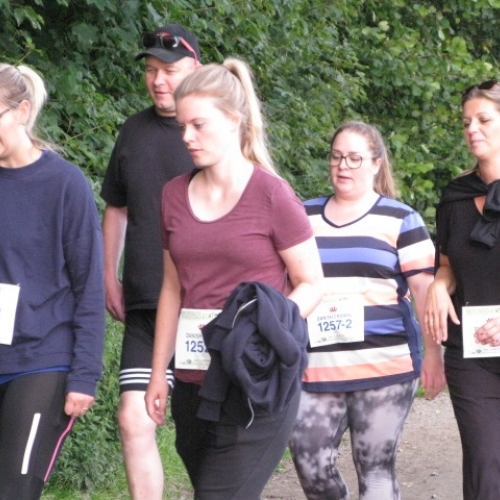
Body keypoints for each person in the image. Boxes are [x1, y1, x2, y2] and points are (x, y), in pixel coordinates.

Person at [144, 58, 323, 500]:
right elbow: (172, 288)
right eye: (182, 126)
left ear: (232, 121)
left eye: (198, 125)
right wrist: (157, 373)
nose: (187, 137)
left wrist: (263, 327)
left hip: (256, 381)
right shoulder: (173, 195)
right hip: (194, 382)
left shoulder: (272, 194)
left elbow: (312, 283)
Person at [289, 121, 446, 500]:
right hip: (315, 367)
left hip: (384, 367)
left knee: (375, 468)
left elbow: (425, 293)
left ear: (376, 163)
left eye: (354, 158)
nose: (343, 165)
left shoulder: (402, 219)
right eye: (336, 157)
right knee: (310, 462)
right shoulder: (302, 217)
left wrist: (433, 354)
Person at [100, 24, 200, 500]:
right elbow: (117, 208)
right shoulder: (133, 131)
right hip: (145, 302)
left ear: (196, 68)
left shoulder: (215, 134)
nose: (159, 80)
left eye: (170, 70)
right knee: (132, 418)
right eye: (151, 70)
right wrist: (108, 275)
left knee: (200, 433)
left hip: (206, 308)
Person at [0, 63, 105, 500]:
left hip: (42, 357)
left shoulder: (65, 185)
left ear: (22, 111)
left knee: (14, 487)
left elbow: (89, 287)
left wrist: (85, 375)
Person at [425, 79, 500, 500]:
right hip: (472, 354)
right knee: (486, 468)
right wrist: (439, 284)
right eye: (466, 122)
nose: (472, 129)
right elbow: (449, 264)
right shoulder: (455, 196)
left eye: (483, 120)